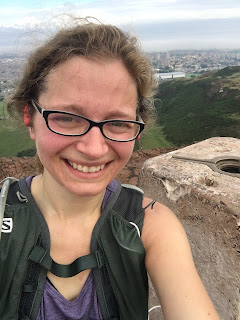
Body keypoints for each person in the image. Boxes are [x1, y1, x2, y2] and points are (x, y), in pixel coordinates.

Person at [0, 18, 220, 320]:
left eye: (117, 123)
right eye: (67, 117)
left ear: (137, 130)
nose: (93, 148)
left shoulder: (151, 227)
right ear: (30, 116)